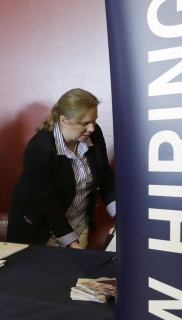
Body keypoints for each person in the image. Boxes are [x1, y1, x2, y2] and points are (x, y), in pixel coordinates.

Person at [6, 88, 116, 247]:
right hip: (40, 232)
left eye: (94, 121)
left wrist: (120, 215)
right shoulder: (39, 148)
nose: (92, 128)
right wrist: (71, 243)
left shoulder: (93, 134)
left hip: (79, 226)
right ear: (64, 120)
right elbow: (47, 202)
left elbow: (104, 176)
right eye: (85, 123)